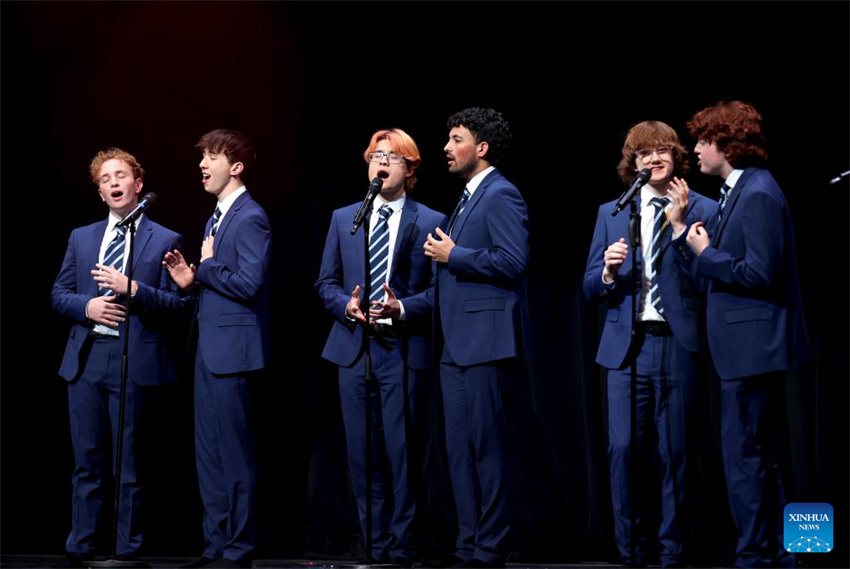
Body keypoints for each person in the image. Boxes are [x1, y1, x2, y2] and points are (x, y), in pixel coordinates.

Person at [681, 101, 810, 568]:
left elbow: (760, 272)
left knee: (746, 457)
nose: (695, 150)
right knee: (759, 455)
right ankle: (781, 552)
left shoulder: (757, 192)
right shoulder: (740, 190)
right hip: (747, 348)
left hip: (754, 349)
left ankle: (756, 553)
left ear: (727, 144)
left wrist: (705, 252)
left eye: (702, 141)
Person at [583, 121, 715, 568]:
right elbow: (589, 286)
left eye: (662, 151)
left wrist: (679, 232)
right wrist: (607, 272)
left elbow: (710, 280)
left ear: (677, 157)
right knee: (622, 449)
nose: (653, 159)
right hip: (626, 347)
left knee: (675, 451)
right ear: (633, 162)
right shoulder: (612, 212)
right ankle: (632, 548)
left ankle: (672, 548)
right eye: (644, 153)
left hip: (677, 343)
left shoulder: (703, 208)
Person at [316, 128, 447, 566]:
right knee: (361, 452)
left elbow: (441, 292)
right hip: (353, 348)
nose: (381, 163)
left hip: (402, 350)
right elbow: (325, 282)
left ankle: (404, 544)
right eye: (375, 156)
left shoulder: (430, 219)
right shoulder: (345, 218)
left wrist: (402, 307)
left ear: (410, 168)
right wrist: (346, 305)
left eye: (391, 157)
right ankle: (373, 542)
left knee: (402, 452)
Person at [50, 148, 184, 567]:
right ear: (100, 192)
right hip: (88, 357)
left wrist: (134, 289)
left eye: (120, 175)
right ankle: (81, 547)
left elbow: (177, 304)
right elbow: (59, 293)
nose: (113, 182)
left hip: (134, 359)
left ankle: (128, 550)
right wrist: (86, 307)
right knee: (86, 461)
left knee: (130, 463)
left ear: (137, 184)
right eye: (105, 179)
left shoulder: (164, 239)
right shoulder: (82, 237)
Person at [423, 107, 529, 569]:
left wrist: (455, 255)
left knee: (487, 447)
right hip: (457, 345)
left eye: (456, 139)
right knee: (460, 450)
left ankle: (491, 546)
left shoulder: (501, 194)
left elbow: (513, 260)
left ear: (481, 147)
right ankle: (468, 543)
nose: (446, 148)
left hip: (487, 341)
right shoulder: (467, 198)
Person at [163, 129, 271, 569]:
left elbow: (250, 284)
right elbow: (219, 284)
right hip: (209, 350)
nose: (203, 165)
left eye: (212, 156)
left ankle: (239, 548)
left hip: (233, 353)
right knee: (208, 454)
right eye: (202, 157)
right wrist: (192, 282)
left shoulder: (250, 216)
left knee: (234, 453)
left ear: (236, 166)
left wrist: (207, 268)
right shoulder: (217, 217)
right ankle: (216, 546)